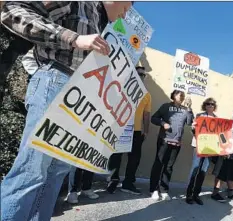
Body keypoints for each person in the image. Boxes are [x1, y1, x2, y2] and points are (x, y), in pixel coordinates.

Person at [0, 2, 133, 221]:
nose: (125, 15)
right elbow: (12, 11)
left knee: (56, 173)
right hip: (56, 81)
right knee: (33, 169)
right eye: (127, 7)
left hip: (81, 98)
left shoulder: (104, 25)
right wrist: (74, 38)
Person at [106, 66, 152, 194]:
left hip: (137, 131)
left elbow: (146, 114)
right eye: (138, 74)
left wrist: (146, 131)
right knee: (116, 156)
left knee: (134, 159)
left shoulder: (147, 95)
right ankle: (112, 181)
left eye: (143, 75)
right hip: (121, 128)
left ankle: (128, 183)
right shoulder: (122, 89)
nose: (141, 76)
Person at [149, 90, 194, 201]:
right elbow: (153, 118)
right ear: (173, 96)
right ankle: (153, 189)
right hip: (164, 139)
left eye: (183, 95)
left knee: (169, 167)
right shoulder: (166, 106)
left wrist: (189, 109)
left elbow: (189, 123)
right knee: (158, 164)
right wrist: (163, 123)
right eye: (180, 94)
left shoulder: (185, 109)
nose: (182, 96)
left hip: (177, 142)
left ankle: (164, 190)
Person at [185, 97, 217, 205]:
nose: (210, 106)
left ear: (214, 106)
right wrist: (194, 129)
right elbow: (193, 130)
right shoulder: (199, 116)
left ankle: (196, 195)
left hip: (209, 148)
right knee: (195, 169)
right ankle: (189, 194)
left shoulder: (217, 119)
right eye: (208, 104)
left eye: (212, 104)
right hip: (198, 146)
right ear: (205, 105)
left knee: (203, 172)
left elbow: (219, 135)